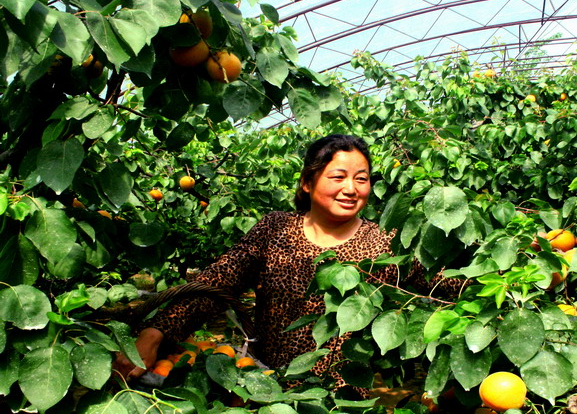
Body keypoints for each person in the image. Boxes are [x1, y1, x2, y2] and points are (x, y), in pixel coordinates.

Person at [114, 134, 463, 394]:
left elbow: (444, 282)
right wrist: (155, 333)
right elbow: (219, 281)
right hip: (266, 389)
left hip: (344, 400)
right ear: (308, 182)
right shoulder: (276, 229)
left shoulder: (387, 242)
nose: (351, 188)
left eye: (362, 178)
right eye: (338, 176)